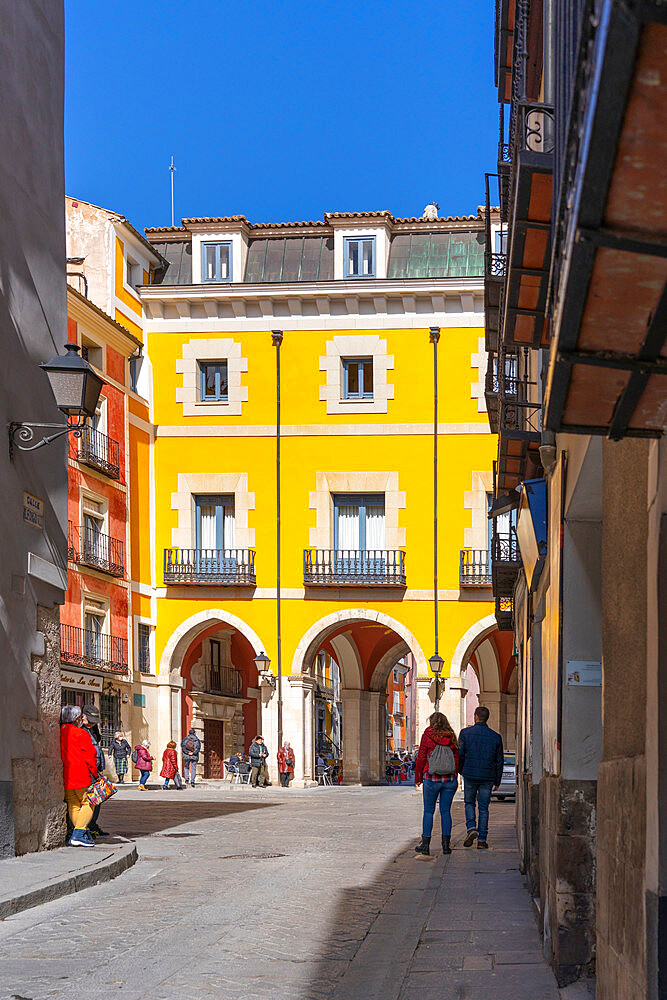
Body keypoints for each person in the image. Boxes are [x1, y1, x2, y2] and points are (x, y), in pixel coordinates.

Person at [414, 712, 460, 857]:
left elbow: (421, 757)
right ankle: (446, 846)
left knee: (429, 811)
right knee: (445, 811)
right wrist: (455, 774)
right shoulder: (451, 736)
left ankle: (425, 846)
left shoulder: (427, 735)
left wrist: (418, 777)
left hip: (431, 777)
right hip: (449, 779)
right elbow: (457, 758)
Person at [458, 705, 504, 849]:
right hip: (487, 776)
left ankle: (471, 828)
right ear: (487, 718)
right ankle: (482, 840)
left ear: (475, 716)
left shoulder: (465, 733)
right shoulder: (496, 737)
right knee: (484, 808)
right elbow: (499, 761)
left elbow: (460, 755)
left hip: (470, 775)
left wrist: (461, 771)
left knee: (469, 803)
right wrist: (497, 780)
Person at [60, 705, 98, 847]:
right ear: (76, 718)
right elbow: (90, 755)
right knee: (89, 802)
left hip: (66, 775)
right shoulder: (81, 733)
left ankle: (80, 833)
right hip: (81, 774)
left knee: (74, 804)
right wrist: (95, 773)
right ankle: (78, 834)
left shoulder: (59, 731)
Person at [81, 703, 108, 836]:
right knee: (90, 800)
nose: (92, 723)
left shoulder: (92, 729)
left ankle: (92, 825)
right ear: (83, 717)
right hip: (86, 770)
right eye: (90, 721)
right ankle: (85, 827)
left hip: (94, 770)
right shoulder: (80, 729)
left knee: (97, 799)